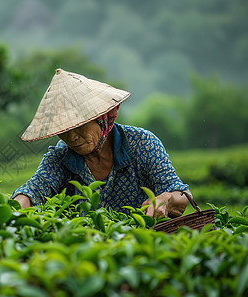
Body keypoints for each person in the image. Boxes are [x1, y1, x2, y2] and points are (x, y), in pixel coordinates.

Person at [12, 68, 190, 219]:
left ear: (101, 117)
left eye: (79, 126)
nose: (72, 137)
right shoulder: (59, 158)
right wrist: (11, 211)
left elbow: (180, 195)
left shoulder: (143, 144)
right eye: (63, 131)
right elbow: (33, 190)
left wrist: (166, 199)